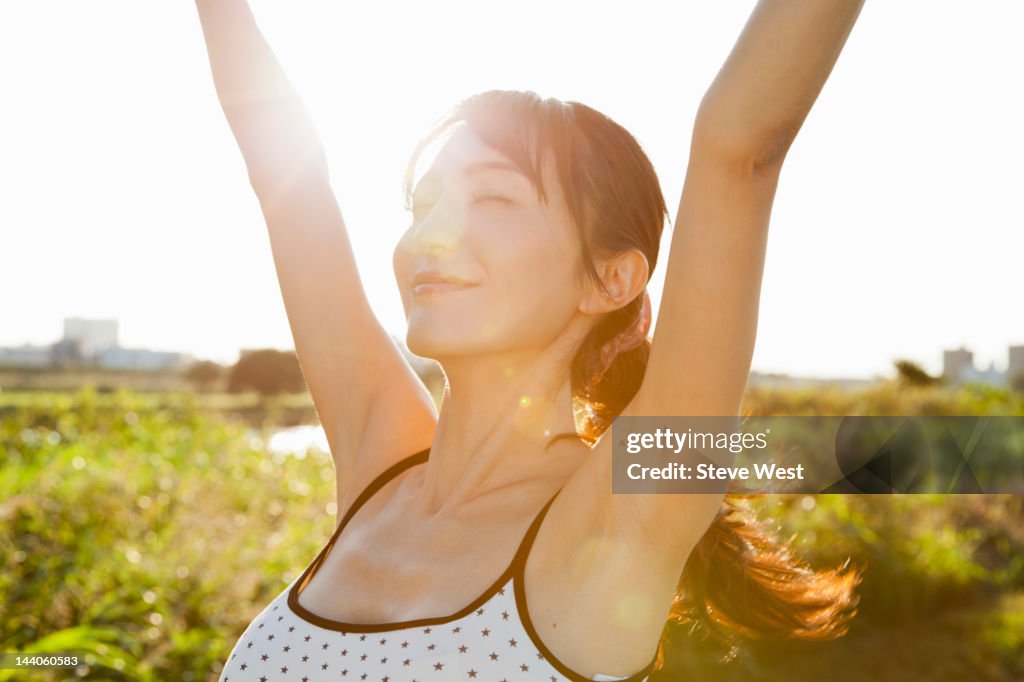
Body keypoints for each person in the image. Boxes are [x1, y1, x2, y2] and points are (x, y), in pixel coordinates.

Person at [197, 1, 865, 679]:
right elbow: (284, 171)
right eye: (423, 205)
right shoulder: (382, 474)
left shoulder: (615, 522)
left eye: (494, 199)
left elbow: (741, 151)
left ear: (611, 280)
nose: (432, 235)